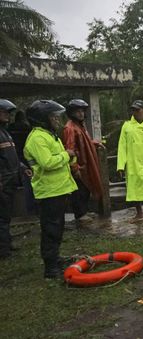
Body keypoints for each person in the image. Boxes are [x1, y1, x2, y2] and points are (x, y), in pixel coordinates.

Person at [24, 100, 77, 278]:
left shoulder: (49, 135)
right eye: (53, 116)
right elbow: (47, 162)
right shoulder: (38, 138)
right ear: (42, 119)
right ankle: (51, 267)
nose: (57, 120)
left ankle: (55, 258)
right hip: (49, 191)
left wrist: (70, 159)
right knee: (51, 229)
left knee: (57, 226)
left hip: (59, 189)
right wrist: (66, 154)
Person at [117, 100, 143, 228]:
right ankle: (139, 213)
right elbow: (122, 146)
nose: (135, 113)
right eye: (133, 110)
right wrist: (120, 165)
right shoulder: (127, 126)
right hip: (133, 162)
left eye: (138, 110)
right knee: (134, 188)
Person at [62, 99, 104, 223]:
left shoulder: (80, 126)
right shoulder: (69, 128)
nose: (81, 114)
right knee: (79, 191)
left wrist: (95, 143)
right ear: (71, 113)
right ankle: (80, 215)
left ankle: (84, 212)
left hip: (86, 164)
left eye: (82, 111)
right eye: (77, 111)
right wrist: (74, 168)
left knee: (85, 190)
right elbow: (70, 149)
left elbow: (84, 142)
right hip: (79, 165)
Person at [0, 100, 32, 259]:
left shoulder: (6, 132)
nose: (7, 115)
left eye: (8, 113)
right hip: (3, 183)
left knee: (6, 217)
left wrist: (21, 167)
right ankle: (3, 251)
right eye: (4, 112)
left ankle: (6, 244)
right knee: (2, 218)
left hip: (10, 181)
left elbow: (11, 156)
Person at [7, 110, 36, 214]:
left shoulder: (9, 129)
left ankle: (19, 211)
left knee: (14, 186)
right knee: (29, 184)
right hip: (27, 159)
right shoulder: (28, 128)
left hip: (14, 158)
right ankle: (32, 210)